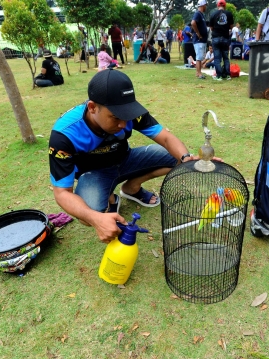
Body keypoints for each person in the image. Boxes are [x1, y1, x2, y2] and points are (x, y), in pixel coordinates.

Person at [48, 70, 202, 243]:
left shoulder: (129, 111)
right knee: (87, 215)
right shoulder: (64, 134)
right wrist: (95, 218)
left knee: (178, 160)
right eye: (115, 117)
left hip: (126, 160)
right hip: (94, 174)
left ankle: (132, 188)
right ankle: (109, 196)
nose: (123, 124)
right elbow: (62, 193)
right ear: (92, 108)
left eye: (126, 116)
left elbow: (166, 138)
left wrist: (187, 159)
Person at [209, 0, 234, 81]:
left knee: (217, 58)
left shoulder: (213, 14)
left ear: (217, 5)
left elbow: (211, 28)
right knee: (226, 58)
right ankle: (227, 75)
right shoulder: (229, 14)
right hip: (225, 38)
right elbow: (231, 26)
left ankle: (219, 76)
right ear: (225, 6)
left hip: (216, 37)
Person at [192, 0, 209, 79]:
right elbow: (193, 23)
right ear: (203, 5)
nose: (206, 7)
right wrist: (198, 34)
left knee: (200, 56)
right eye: (206, 5)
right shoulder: (198, 14)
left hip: (202, 40)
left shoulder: (202, 15)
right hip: (199, 40)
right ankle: (199, 73)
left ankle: (198, 72)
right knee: (199, 57)